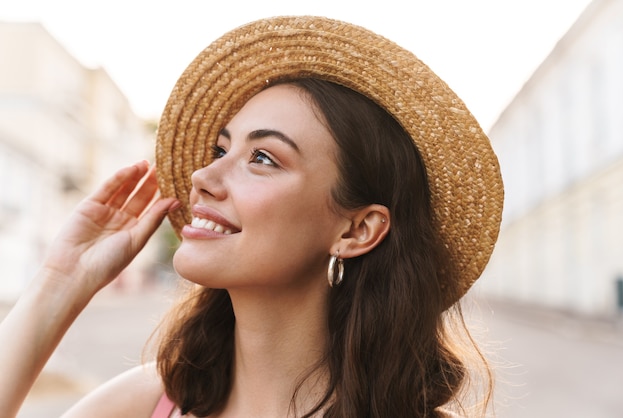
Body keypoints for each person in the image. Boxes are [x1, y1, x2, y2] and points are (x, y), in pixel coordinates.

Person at [0, 16, 504, 418]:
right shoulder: (149, 402)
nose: (203, 175)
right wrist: (61, 282)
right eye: (222, 147)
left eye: (263, 158)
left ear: (357, 229)